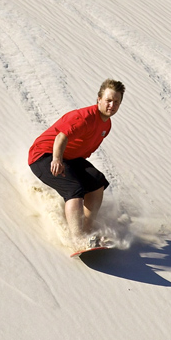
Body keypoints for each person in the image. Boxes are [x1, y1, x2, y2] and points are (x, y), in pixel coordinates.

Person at [28, 79, 125, 246]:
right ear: (99, 99)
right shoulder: (84, 117)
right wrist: (57, 159)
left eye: (116, 102)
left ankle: (88, 230)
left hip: (69, 158)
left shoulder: (106, 125)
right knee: (74, 188)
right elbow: (61, 137)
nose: (112, 105)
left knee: (97, 182)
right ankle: (78, 238)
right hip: (43, 155)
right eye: (108, 100)